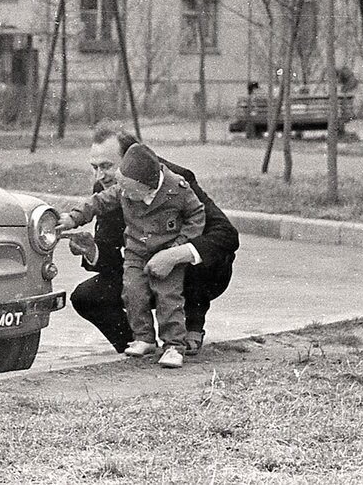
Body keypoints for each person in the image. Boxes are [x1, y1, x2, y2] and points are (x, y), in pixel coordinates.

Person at [65, 124, 239, 358]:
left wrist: (173, 255)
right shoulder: (108, 188)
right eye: (94, 167)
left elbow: (225, 234)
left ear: (131, 159)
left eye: (106, 166)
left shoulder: (177, 181)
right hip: (144, 264)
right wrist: (92, 250)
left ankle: (192, 327)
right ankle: (139, 345)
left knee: (205, 251)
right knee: (87, 297)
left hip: (187, 271)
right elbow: (113, 260)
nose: (99, 176)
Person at [59, 142, 205, 368]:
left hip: (166, 253)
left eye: (128, 190)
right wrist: (73, 218)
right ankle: (144, 338)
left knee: (169, 298)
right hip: (136, 252)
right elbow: (98, 202)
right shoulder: (125, 188)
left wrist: (179, 246)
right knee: (133, 292)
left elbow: (197, 215)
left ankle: (174, 345)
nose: (123, 193)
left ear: (148, 186)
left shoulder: (177, 188)